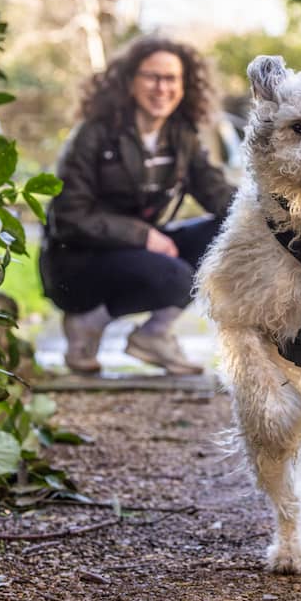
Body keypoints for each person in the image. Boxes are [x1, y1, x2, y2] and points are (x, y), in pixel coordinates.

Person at [40, 36, 236, 376]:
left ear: (184, 85)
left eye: (171, 78)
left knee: (233, 227)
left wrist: (279, 210)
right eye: (152, 77)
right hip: (75, 261)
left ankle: (154, 335)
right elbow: (68, 217)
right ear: (129, 81)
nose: (162, 88)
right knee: (176, 277)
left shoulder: (181, 135)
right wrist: (141, 235)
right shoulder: (94, 134)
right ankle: (87, 322)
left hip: (138, 252)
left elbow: (218, 195)